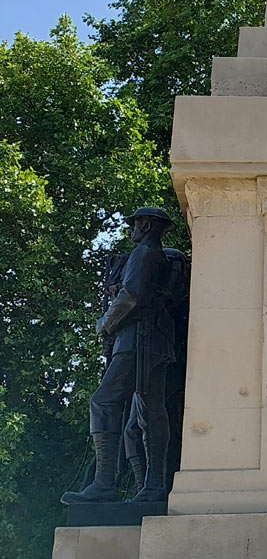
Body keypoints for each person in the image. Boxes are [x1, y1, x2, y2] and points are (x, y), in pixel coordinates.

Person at [61, 207, 177, 506]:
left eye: (134, 225)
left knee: (104, 402)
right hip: (153, 340)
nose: (131, 230)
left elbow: (130, 295)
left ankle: (104, 483)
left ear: (146, 224)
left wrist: (105, 323)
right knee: (151, 412)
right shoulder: (154, 255)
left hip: (137, 338)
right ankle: (151, 486)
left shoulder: (143, 253)